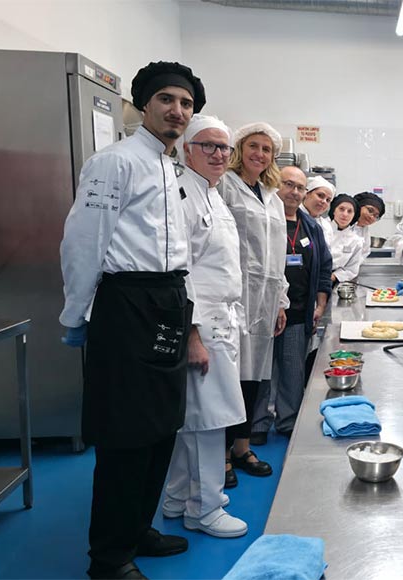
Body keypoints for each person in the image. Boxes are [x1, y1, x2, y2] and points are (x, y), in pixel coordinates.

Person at [59, 61, 205, 579]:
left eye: (186, 103)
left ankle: (137, 529)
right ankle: (109, 558)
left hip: (167, 300)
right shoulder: (114, 162)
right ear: (144, 104)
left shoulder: (171, 169)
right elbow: (83, 241)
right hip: (125, 307)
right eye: (167, 99)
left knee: (162, 427)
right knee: (125, 436)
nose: (177, 110)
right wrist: (77, 313)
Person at [160, 115, 248, 538]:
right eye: (208, 146)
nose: (218, 154)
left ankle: (179, 498)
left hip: (222, 321)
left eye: (223, 148)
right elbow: (180, 272)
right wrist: (192, 334)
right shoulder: (181, 197)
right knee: (208, 422)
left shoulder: (212, 194)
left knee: (196, 418)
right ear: (186, 149)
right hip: (201, 324)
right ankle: (205, 509)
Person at [219, 122, 288, 480]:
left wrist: (281, 301)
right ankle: (222, 456)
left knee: (254, 379)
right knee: (228, 376)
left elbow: (278, 254)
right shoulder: (224, 187)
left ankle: (242, 448)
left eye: (266, 150)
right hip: (234, 294)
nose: (259, 154)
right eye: (254, 146)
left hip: (264, 298)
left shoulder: (271, 196)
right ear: (239, 149)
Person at [251, 166, 332, 441]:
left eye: (299, 187)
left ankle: (288, 423)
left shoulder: (311, 226)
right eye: (288, 185)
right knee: (260, 371)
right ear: (276, 185)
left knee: (292, 371)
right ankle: (258, 424)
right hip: (263, 310)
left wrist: (320, 306)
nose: (294, 192)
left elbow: (324, 269)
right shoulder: (264, 218)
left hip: (299, 311)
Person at [327, 194, 366, 283]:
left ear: (354, 216)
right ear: (334, 211)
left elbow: (352, 269)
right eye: (341, 209)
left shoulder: (356, 240)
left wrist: (333, 276)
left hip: (334, 281)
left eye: (349, 211)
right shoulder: (321, 229)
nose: (345, 214)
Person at [352, 191, 386, 258]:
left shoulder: (365, 230)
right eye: (370, 210)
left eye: (376, 216)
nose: (372, 217)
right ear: (359, 206)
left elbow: (364, 253)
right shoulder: (342, 224)